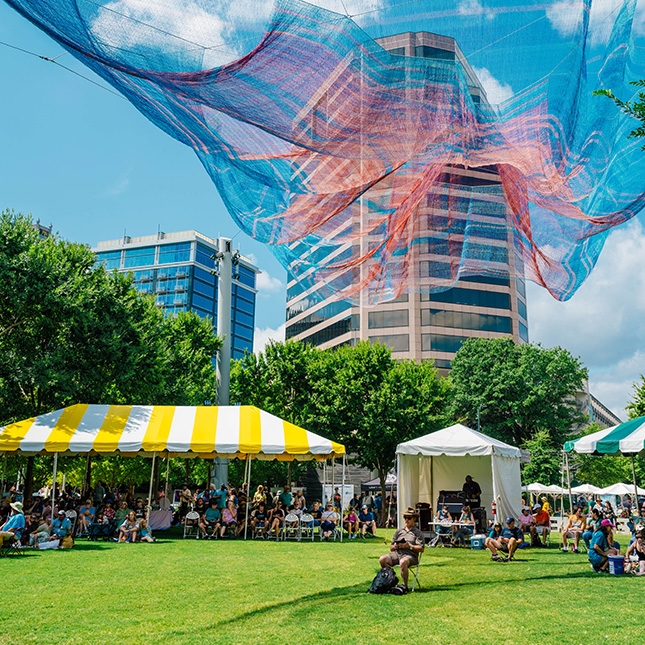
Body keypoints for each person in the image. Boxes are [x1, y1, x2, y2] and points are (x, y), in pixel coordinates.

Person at [378, 507, 424, 594]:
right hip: (397, 553)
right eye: (405, 517)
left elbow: (421, 548)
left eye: (409, 518)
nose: (406, 520)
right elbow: (391, 548)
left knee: (403, 561)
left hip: (410, 556)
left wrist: (409, 546)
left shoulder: (418, 533)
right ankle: (391, 580)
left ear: (414, 518)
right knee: (382, 559)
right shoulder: (399, 531)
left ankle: (404, 586)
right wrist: (395, 546)